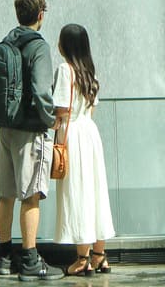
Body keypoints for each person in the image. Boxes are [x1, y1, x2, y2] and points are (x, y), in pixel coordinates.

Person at [0, 0, 56, 281]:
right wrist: (51, 120)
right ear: (40, 15)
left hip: (6, 128)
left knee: (6, 194)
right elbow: (42, 91)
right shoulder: (39, 47)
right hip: (30, 131)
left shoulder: (8, 41)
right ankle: (30, 259)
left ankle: (6, 256)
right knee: (31, 194)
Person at [52, 24, 115, 276]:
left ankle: (82, 259)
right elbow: (92, 108)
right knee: (96, 191)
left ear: (65, 45)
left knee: (77, 193)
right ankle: (100, 255)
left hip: (73, 134)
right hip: (90, 132)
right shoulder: (91, 72)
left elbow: (61, 110)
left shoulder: (65, 70)